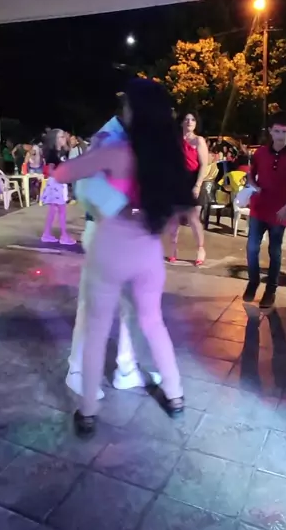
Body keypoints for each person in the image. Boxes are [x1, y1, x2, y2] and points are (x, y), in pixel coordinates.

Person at [52, 78, 195, 437]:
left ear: (136, 111)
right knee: (153, 322)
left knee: (97, 328)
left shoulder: (117, 152)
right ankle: (175, 395)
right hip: (149, 251)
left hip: (111, 248)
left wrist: (88, 158)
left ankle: (88, 411)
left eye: (127, 105)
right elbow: (178, 210)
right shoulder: (170, 156)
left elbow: (63, 173)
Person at [66, 102, 161, 399]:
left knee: (131, 305)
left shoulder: (130, 137)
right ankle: (77, 371)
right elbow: (85, 188)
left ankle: (126, 370)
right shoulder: (109, 138)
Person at [244, 112, 286, 309]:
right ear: (270, 131)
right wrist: (253, 186)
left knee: (275, 251)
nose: (280, 135)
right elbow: (250, 175)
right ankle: (253, 281)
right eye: (277, 131)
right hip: (259, 207)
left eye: (284, 131)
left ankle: (271, 289)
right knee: (252, 247)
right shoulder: (261, 153)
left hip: (280, 211)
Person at [168, 112, 208, 265]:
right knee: (174, 218)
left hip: (193, 180)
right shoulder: (175, 140)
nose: (189, 122)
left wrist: (197, 185)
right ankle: (173, 248)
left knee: (193, 218)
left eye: (192, 119)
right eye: (186, 119)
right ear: (181, 122)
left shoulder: (199, 140)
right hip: (177, 182)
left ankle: (200, 249)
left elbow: (204, 165)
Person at [41, 129, 75, 245]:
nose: (64, 138)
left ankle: (47, 234)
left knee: (54, 210)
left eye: (63, 136)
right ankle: (64, 236)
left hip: (59, 182)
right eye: (61, 137)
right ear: (55, 139)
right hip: (56, 183)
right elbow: (50, 170)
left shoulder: (62, 152)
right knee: (61, 210)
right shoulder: (52, 153)